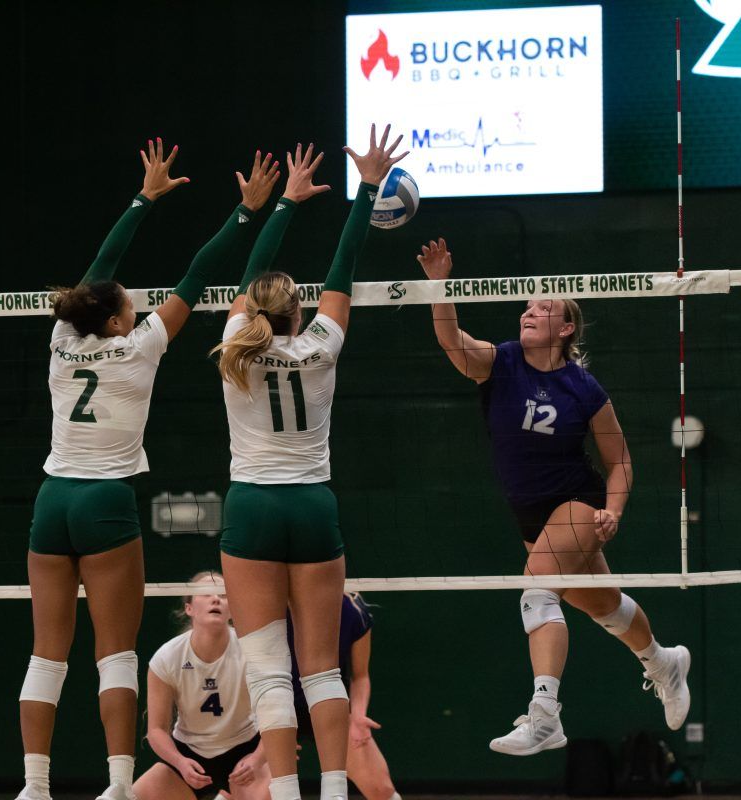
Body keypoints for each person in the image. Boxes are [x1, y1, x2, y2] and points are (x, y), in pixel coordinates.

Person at [18, 139, 281, 800]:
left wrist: (142, 200)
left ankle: (34, 785)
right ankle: (115, 785)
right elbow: (197, 274)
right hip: (104, 501)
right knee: (116, 650)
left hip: (52, 500)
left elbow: (97, 274)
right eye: (128, 302)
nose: (137, 303)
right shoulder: (141, 347)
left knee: (46, 652)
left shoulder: (62, 341)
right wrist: (246, 214)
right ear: (115, 320)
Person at [414, 238, 691, 755]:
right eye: (528, 305)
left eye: (545, 307)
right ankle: (663, 661)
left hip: (576, 502)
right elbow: (453, 342)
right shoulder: (501, 362)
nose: (530, 311)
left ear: (566, 328)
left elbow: (620, 462)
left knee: (538, 591)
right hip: (529, 513)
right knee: (602, 605)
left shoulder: (584, 389)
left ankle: (545, 714)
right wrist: (438, 284)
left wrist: (613, 509)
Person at [211, 128, 408, 800]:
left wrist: (284, 203)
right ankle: (330, 792)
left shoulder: (236, 344)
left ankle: (288, 796)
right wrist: (367, 189)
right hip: (312, 505)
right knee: (322, 669)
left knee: (268, 666)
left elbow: (247, 280)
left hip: (252, 507)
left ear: (256, 308)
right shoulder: (321, 345)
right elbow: (345, 267)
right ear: (300, 311)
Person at [134, 572, 269, 800]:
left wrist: (258, 758)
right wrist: (180, 762)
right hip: (188, 752)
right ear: (189, 609)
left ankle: (227, 796)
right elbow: (156, 730)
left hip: (243, 749)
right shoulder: (167, 658)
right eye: (205, 594)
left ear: (233, 609)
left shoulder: (251, 651)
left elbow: (276, 716)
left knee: (277, 791)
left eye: (224, 595)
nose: (215, 599)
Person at [287, 593, 400, 800]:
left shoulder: (353, 611)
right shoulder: (272, 604)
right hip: (281, 709)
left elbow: (361, 676)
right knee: (246, 789)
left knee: (381, 790)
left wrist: (358, 716)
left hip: (331, 706)